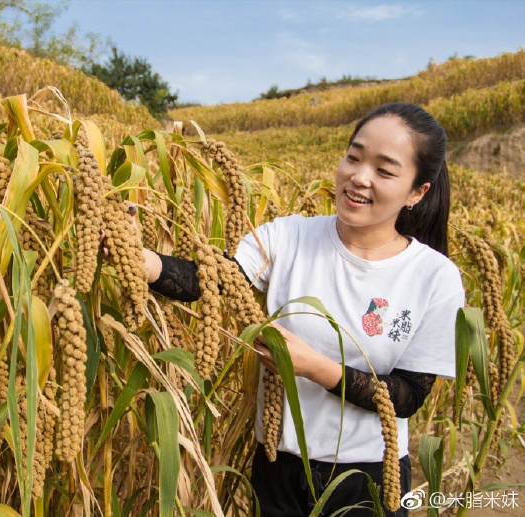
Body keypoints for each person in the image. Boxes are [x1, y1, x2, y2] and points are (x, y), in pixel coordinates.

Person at [110, 102, 465, 516]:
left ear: (417, 192)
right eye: (353, 156)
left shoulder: (434, 277)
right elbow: (211, 281)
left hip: (367, 478)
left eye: (384, 171)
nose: (359, 177)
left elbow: (406, 397)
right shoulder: (288, 237)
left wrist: (313, 366)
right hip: (278, 464)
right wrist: (140, 259)